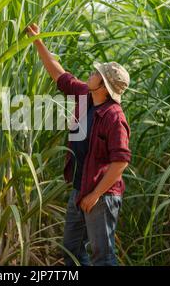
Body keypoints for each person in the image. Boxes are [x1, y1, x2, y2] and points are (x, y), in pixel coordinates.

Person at [26, 23, 132, 266]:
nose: (91, 73)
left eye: (97, 74)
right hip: (80, 189)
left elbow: (120, 162)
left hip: (102, 195)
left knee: (103, 257)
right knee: (71, 251)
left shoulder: (114, 117)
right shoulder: (85, 95)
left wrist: (95, 195)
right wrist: (38, 41)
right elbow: (60, 74)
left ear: (104, 87)